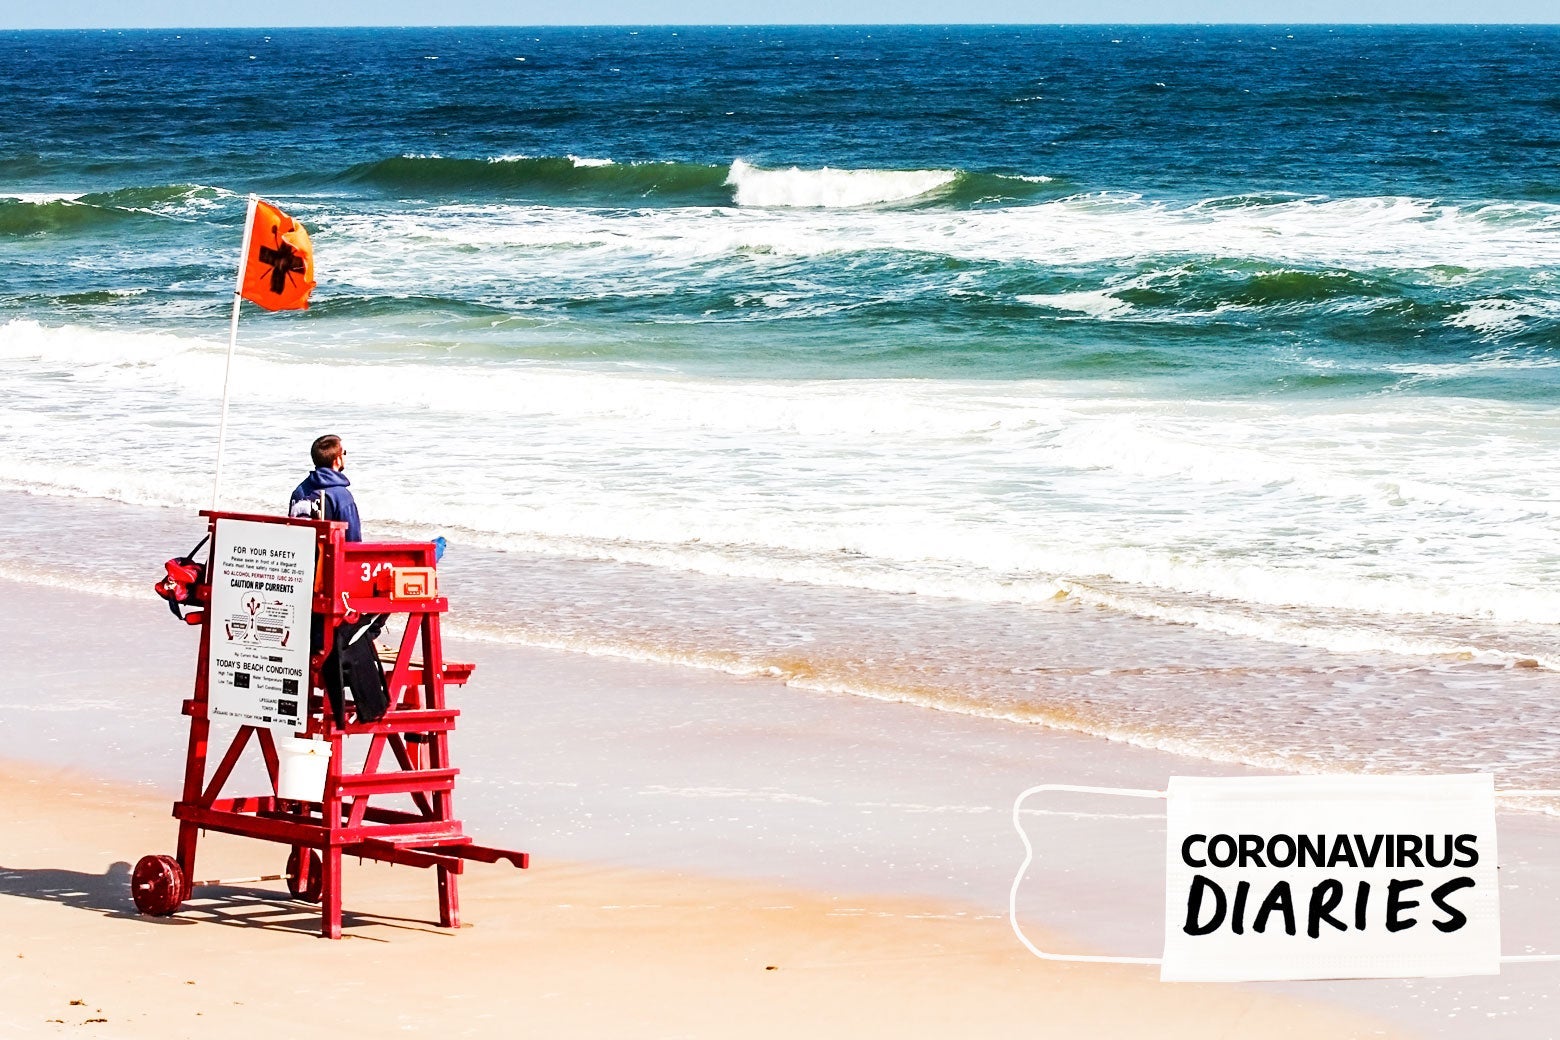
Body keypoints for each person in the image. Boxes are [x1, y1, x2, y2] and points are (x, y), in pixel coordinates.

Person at [289, 434, 362, 541]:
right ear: (337, 460)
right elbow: (353, 540)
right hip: (330, 556)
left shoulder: (299, 491)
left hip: (303, 555)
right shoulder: (342, 496)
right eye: (344, 453)